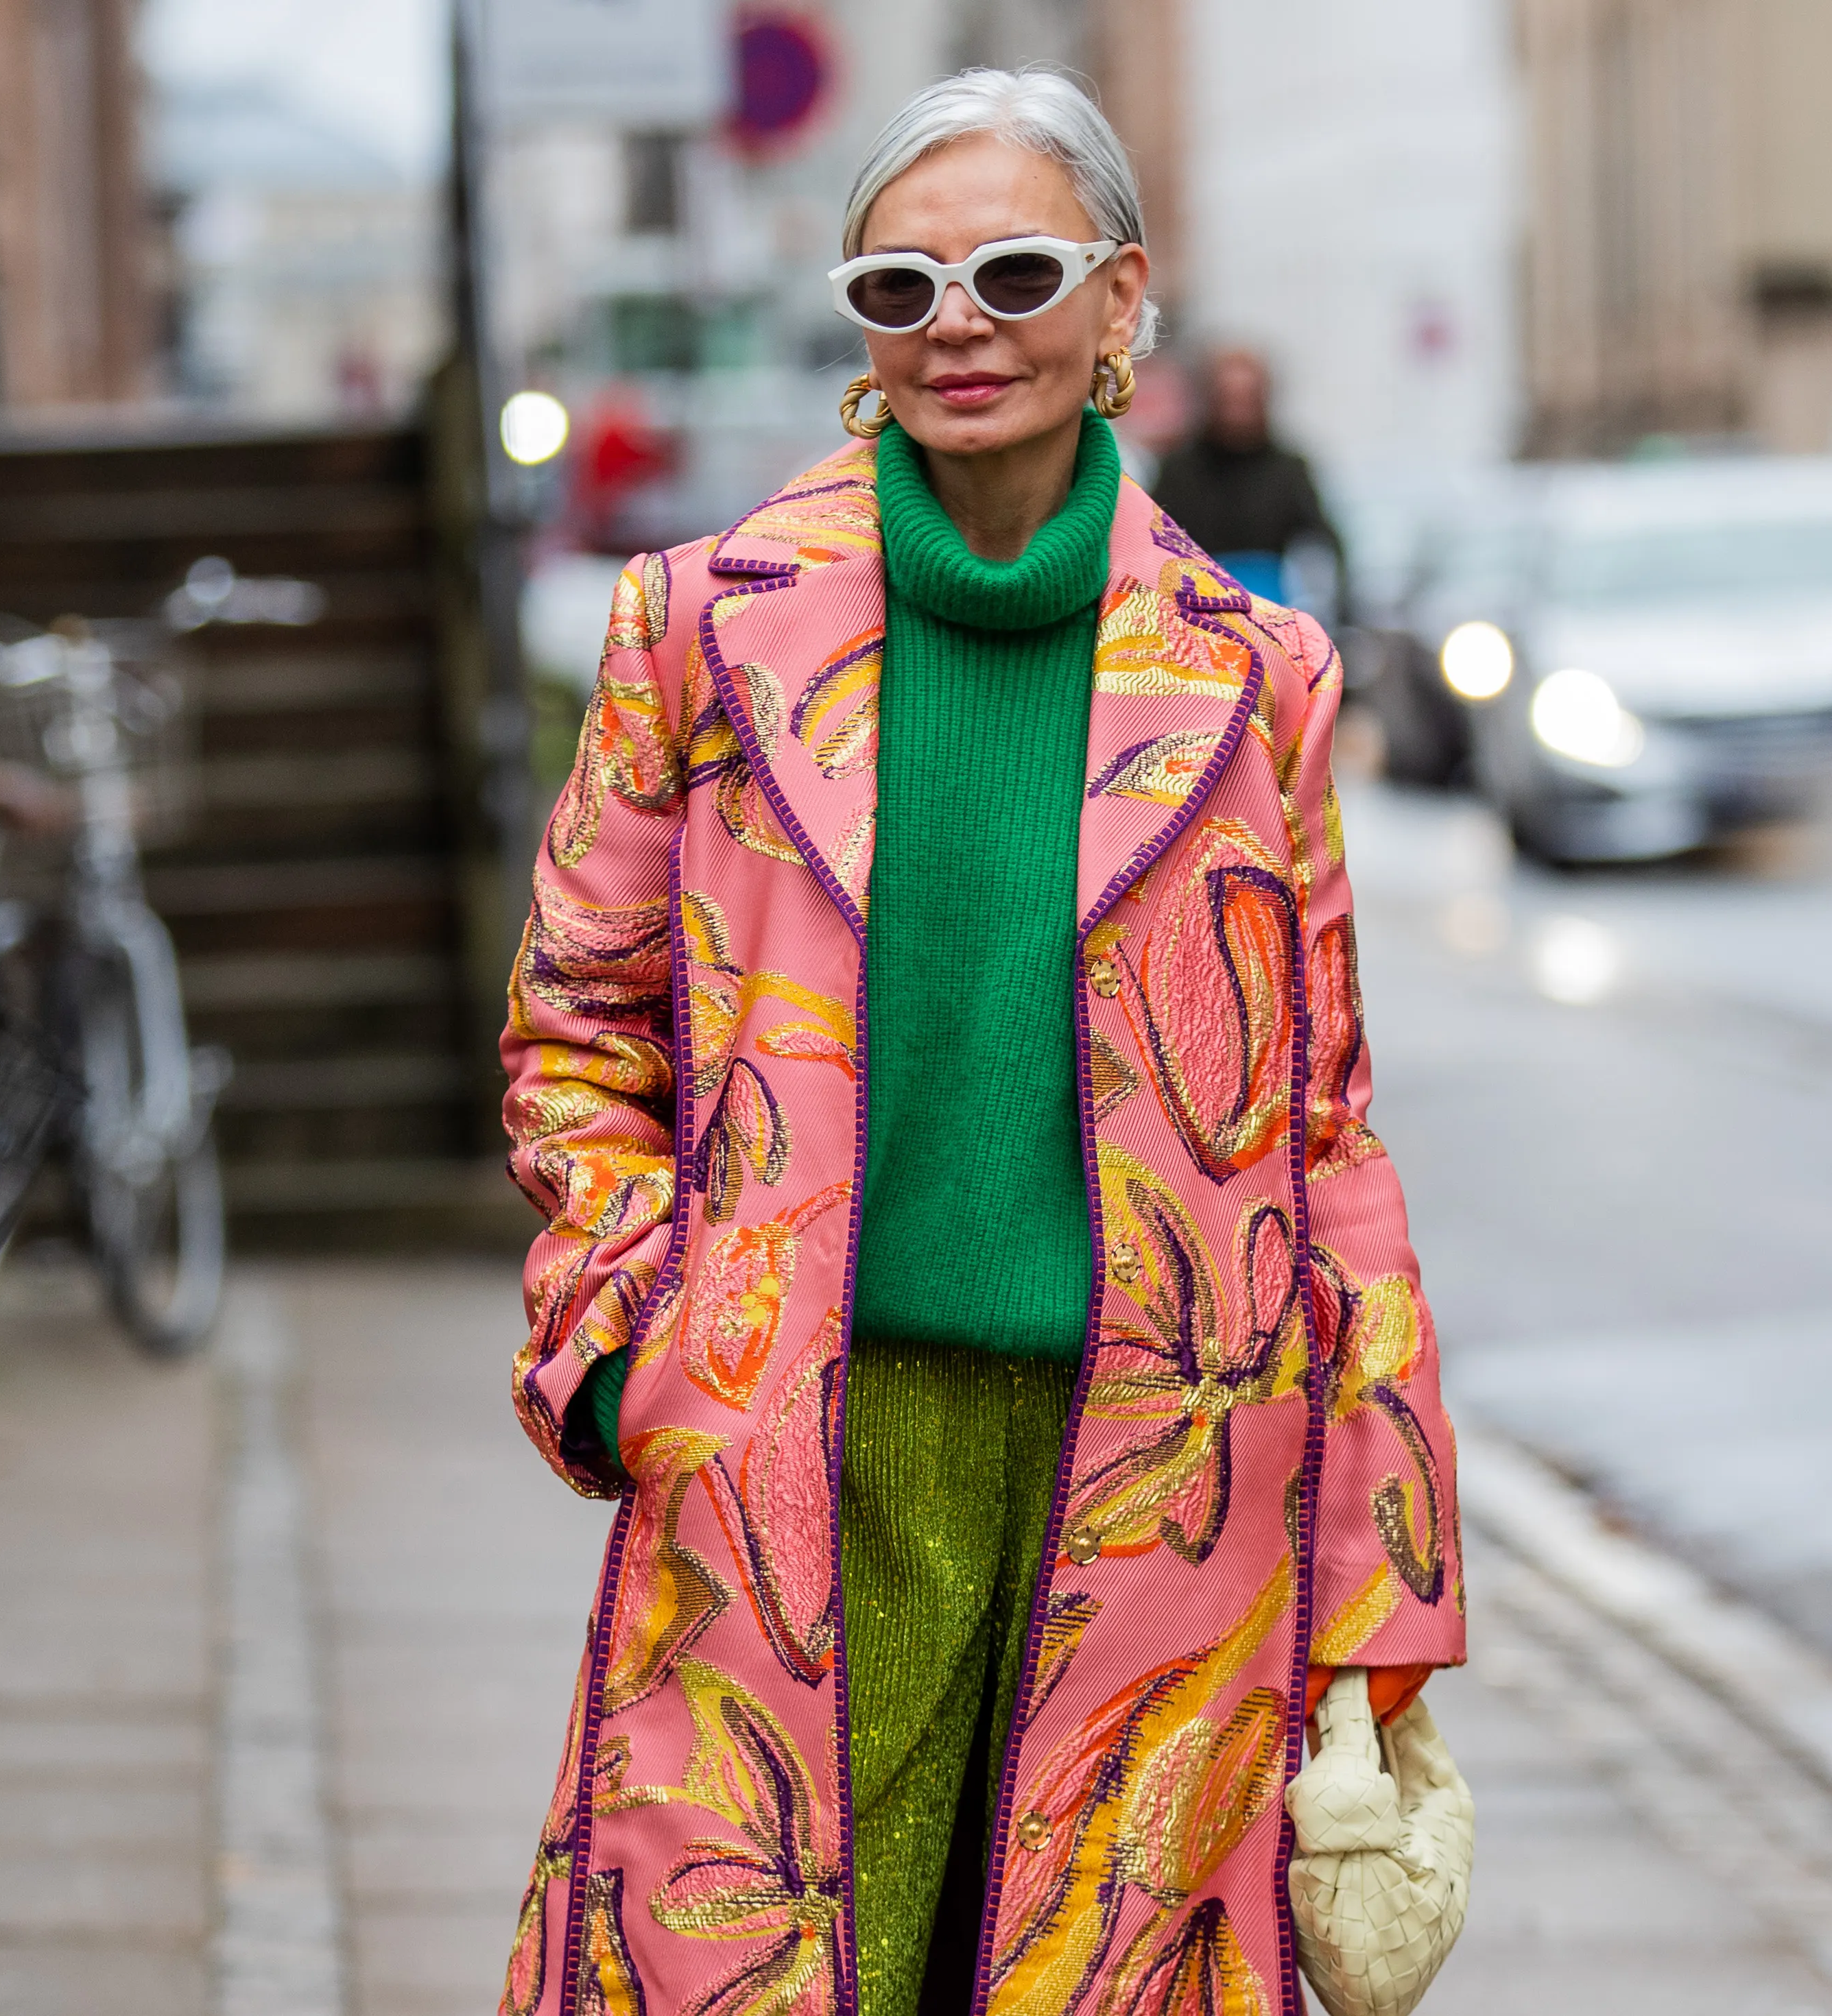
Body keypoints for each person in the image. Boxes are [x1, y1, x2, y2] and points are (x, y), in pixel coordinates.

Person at [498, 66, 1460, 2015]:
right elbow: (576, 1025)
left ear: (1122, 307)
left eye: (1015, 272)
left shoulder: (1258, 677)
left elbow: (1320, 1132)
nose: (956, 323)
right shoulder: (697, 630)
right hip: (789, 1450)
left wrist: (1384, 1563)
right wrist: (623, 1355)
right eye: (898, 284)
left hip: (1165, 1479)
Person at [1145, 345, 1346, 612]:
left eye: (1246, 400)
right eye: (1228, 400)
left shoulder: (1289, 470)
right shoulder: (1178, 470)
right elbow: (1150, 540)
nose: (1237, 413)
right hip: (1196, 608)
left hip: (1272, 608)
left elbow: (1324, 542)